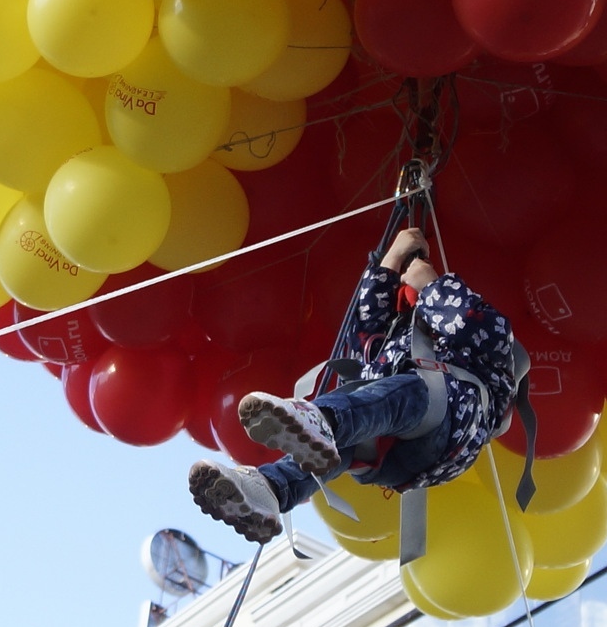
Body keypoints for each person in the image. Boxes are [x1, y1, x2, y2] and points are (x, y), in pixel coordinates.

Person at [187, 226, 526, 545]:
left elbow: (483, 327)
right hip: (390, 458)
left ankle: (324, 422)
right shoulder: (389, 348)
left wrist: (432, 285)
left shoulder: (477, 352)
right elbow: (364, 325)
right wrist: (392, 259)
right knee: (357, 411)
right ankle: (270, 490)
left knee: (399, 393)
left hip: (449, 424)